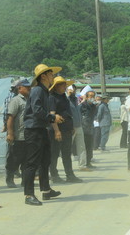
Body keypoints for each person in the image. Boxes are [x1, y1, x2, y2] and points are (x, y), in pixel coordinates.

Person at [22, 64, 64, 206]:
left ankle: (46, 190)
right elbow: (37, 110)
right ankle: (28, 195)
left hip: (41, 129)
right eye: (51, 74)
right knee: (32, 163)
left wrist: (52, 118)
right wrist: (52, 118)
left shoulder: (45, 91)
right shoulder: (37, 91)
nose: (53, 76)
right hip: (33, 130)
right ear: (44, 76)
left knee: (45, 161)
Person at [48, 76, 82, 183]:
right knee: (54, 153)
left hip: (67, 129)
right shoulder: (52, 98)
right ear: (56, 86)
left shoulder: (64, 97)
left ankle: (70, 174)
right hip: (57, 130)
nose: (65, 87)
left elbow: (68, 113)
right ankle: (54, 175)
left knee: (67, 153)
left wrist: (71, 127)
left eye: (65, 85)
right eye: (62, 85)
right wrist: (57, 131)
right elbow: (52, 115)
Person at [5, 78, 31, 188]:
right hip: (18, 136)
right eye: (27, 87)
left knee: (27, 160)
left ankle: (25, 181)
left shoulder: (30, 100)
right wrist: (10, 133)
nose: (29, 89)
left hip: (28, 135)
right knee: (14, 159)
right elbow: (10, 118)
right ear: (19, 88)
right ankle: (9, 179)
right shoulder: (16, 100)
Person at [67, 84, 86, 166]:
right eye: (71, 89)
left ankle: (82, 165)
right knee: (67, 147)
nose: (73, 91)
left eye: (74, 89)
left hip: (79, 125)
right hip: (71, 127)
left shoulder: (76, 100)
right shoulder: (65, 99)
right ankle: (67, 166)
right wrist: (68, 96)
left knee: (81, 146)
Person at [79, 90, 98, 170]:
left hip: (90, 127)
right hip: (83, 128)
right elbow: (78, 116)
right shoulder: (82, 105)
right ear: (86, 97)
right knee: (84, 147)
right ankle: (83, 164)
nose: (92, 97)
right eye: (90, 96)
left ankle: (88, 162)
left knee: (90, 146)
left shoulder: (94, 106)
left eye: (93, 96)